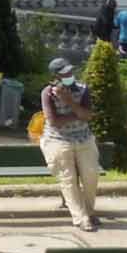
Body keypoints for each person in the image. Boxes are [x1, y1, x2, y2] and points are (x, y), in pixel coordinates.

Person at [38, 58, 101, 231]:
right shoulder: (47, 93)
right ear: (55, 76)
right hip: (57, 139)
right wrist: (79, 113)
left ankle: (88, 211)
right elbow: (54, 122)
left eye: (70, 72)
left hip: (84, 138)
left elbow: (88, 116)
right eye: (65, 73)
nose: (70, 75)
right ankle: (81, 218)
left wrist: (69, 102)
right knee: (68, 178)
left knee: (91, 175)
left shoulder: (83, 89)